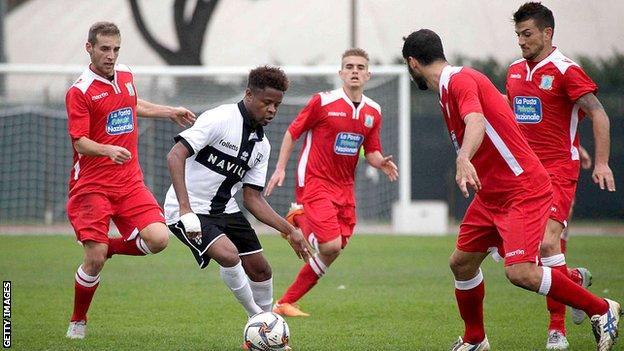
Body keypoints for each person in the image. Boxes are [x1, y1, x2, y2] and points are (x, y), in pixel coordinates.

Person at [402, 28, 620, 351]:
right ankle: (476, 339)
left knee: (520, 272)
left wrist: (464, 157)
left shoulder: (458, 81)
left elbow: (475, 121)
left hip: (522, 190)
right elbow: (504, 114)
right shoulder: (451, 86)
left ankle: (602, 309)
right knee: (461, 263)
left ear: (412, 64)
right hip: (491, 194)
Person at [64, 22, 196, 339]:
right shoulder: (80, 91)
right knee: (93, 261)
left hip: (129, 183)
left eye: (115, 49)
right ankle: (78, 320)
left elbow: (131, 105)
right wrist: (107, 149)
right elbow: (80, 141)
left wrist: (169, 111)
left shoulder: (124, 75)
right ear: (90, 48)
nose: (111, 55)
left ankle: (107, 247)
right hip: (92, 187)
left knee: (159, 239)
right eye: (104, 49)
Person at [507, 3, 617, 348]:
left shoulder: (566, 70)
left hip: (557, 170)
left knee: (546, 243)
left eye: (527, 34)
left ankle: (558, 329)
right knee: (516, 253)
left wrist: (600, 162)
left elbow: (597, 114)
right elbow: (523, 120)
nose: (522, 41)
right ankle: (573, 279)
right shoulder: (512, 71)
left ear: (547, 33)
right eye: (518, 35)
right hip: (523, 172)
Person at [163, 66, 309, 325]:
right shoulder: (220, 118)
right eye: (267, 102)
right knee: (229, 255)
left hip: (225, 210)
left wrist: (290, 231)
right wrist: (185, 210)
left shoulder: (262, 146)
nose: (272, 110)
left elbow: (252, 199)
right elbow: (175, 155)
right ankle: (261, 322)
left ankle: (263, 332)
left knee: (262, 269)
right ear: (249, 94)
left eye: (277, 104)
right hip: (186, 210)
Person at [264, 48, 398, 317]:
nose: (355, 71)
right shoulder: (323, 102)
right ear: (341, 73)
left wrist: (380, 161)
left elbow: (370, 150)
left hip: (344, 187)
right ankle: (298, 218)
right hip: (315, 180)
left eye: (360, 67)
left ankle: (285, 302)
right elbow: (293, 132)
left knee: (333, 251)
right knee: (330, 245)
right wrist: (280, 168)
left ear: (368, 74)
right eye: (349, 67)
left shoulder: (374, 110)